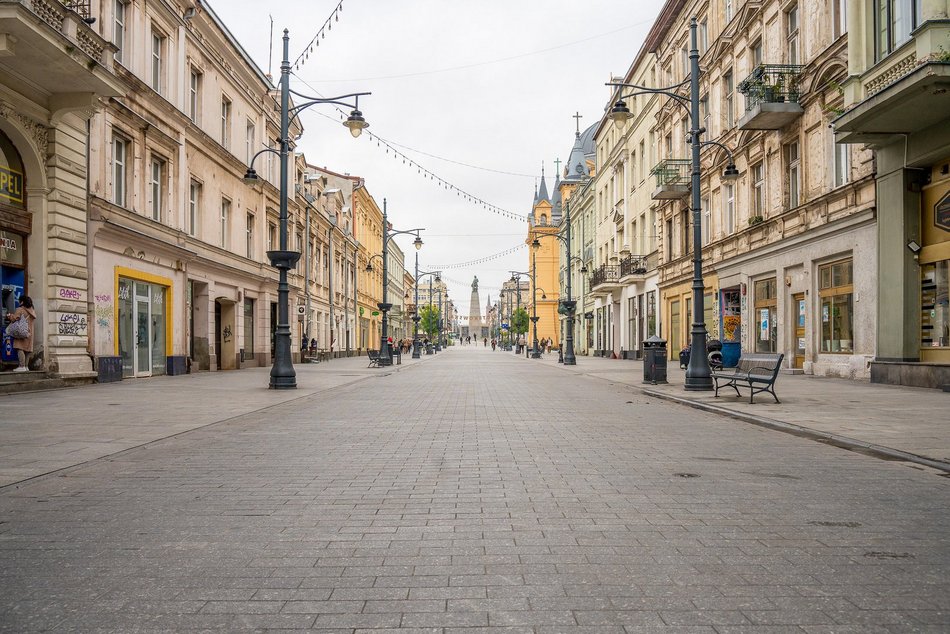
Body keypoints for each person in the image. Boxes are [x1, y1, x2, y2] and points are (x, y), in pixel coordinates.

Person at [5, 295, 36, 372]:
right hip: (29, 333)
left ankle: (21, 366)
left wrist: (9, 315)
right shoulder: (32, 311)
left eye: (19, 301)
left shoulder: (20, 309)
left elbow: (14, 318)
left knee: (20, 347)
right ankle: (26, 366)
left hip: (21, 332)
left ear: (22, 302)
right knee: (27, 350)